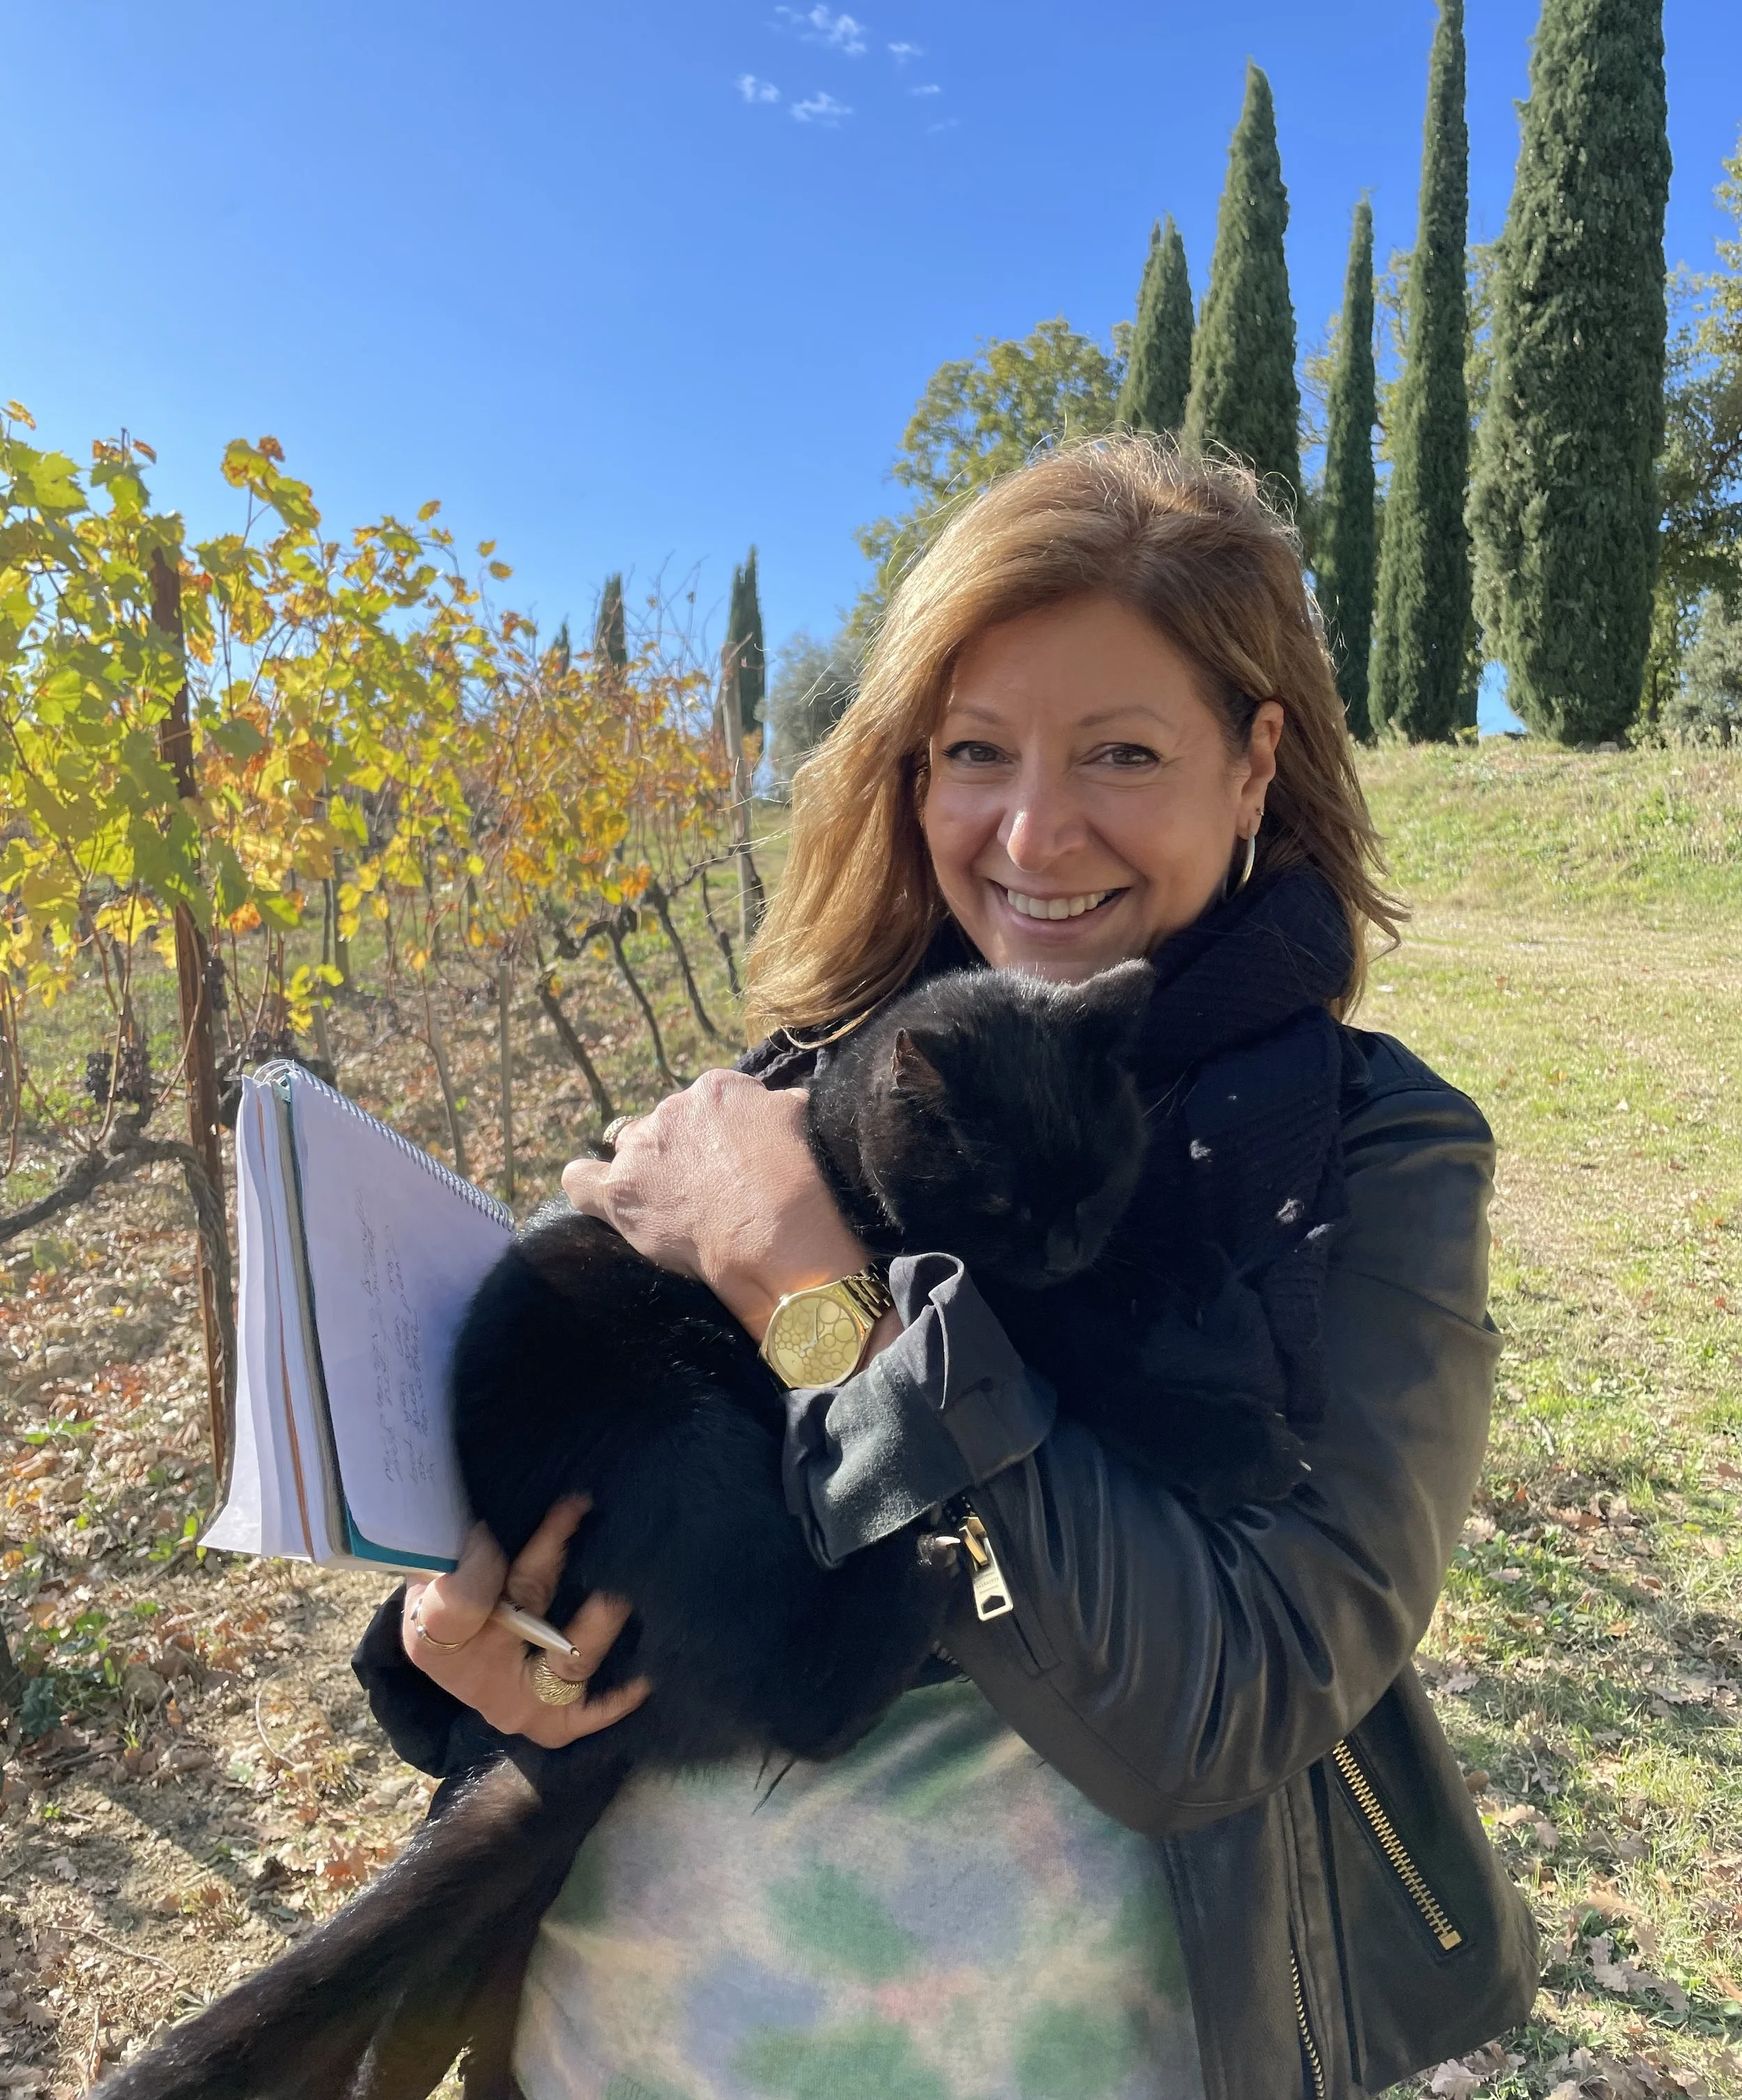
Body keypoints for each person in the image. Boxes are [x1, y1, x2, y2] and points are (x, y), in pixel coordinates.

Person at [355, 436, 1537, 2100]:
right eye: (973, 750)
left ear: (1254, 759)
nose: (1032, 832)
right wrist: (456, 1660)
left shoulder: (1367, 1159)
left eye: (1120, 749)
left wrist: (807, 1289)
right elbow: (598, 1502)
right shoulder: (813, 1083)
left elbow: (1231, 1699)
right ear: (909, 774)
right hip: (609, 2036)